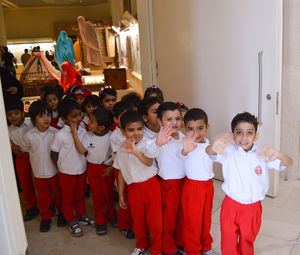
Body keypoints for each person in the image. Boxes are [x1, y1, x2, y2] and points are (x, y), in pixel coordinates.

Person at [205, 112, 293, 255]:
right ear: (233, 135)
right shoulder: (227, 151)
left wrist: (278, 154)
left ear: (256, 135)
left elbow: (289, 162)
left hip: (252, 209)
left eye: (249, 132)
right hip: (230, 206)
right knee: (228, 243)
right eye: (239, 132)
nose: (244, 137)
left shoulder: (263, 154)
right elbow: (208, 152)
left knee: (247, 242)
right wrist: (215, 145)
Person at [114, 110, 163, 255]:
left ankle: (157, 248)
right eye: (131, 130)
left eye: (139, 129)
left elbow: (148, 162)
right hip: (133, 189)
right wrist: (121, 193)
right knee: (138, 220)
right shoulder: (121, 149)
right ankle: (141, 244)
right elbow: (121, 172)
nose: (136, 133)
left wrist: (136, 152)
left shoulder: (147, 145)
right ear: (123, 131)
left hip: (151, 186)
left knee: (155, 221)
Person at [50, 99, 94, 237]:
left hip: (81, 169)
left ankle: (81, 215)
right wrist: (60, 167)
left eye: (79, 114)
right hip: (67, 172)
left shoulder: (82, 131)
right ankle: (71, 220)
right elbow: (54, 153)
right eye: (73, 116)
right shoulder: (60, 135)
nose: (79, 118)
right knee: (68, 198)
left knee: (80, 195)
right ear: (64, 119)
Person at [146, 102, 185, 255]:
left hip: (185, 182)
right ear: (160, 121)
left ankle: (180, 242)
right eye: (169, 119)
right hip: (169, 185)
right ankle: (169, 248)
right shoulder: (157, 140)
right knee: (168, 219)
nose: (174, 122)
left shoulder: (183, 137)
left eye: (177, 118)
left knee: (182, 216)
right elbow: (149, 153)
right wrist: (158, 143)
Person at [71, 107, 117, 236]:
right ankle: (100, 220)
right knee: (97, 196)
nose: (88, 123)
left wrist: (112, 167)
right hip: (92, 169)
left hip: (107, 169)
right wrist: (75, 134)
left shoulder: (111, 136)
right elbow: (81, 151)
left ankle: (111, 215)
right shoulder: (87, 135)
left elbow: (117, 154)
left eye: (91, 121)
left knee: (109, 194)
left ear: (101, 127)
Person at [178, 108, 218, 255]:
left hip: (208, 186)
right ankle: (193, 250)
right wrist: (185, 150)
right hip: (192, 188)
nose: (196, 133)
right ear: (184, 129)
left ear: (207, 127)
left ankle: (206, 246)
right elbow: (181, 156)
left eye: (200, 128)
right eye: (190, 129)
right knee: (192, 222)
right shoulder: (186, 146)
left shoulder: (210, 146)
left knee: (206, 219)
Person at [22, 101, 66, 232]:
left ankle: (62, 214)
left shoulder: (55, 133)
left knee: (59, 195)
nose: (46, 118)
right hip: (38, 173)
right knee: (43, 197)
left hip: (55, 172)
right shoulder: (29, 135)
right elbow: (25, 150)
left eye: (48, 115)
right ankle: (46, 217)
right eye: (41, 116)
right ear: (34, 118)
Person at [5, 99, 39, 221]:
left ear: (23, 113)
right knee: (25, 183)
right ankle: (32, 206)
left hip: (35, 156)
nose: (13, 117)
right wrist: (12, 147)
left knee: (40, 182)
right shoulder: (7, 130)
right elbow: (6, 142)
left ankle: (48, 204)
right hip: (21, 158)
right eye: (9, 114)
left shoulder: (32, 124)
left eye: (16, 113)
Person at [110, 101, 134, 239]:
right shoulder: (115, 136)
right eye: (123, 117)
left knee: (132, 198)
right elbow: (122, 154)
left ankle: (134, 223)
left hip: (133, 167)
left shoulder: (134, 131)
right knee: (124, 197)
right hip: (120, 168)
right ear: (116, 119)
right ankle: (124, 225)